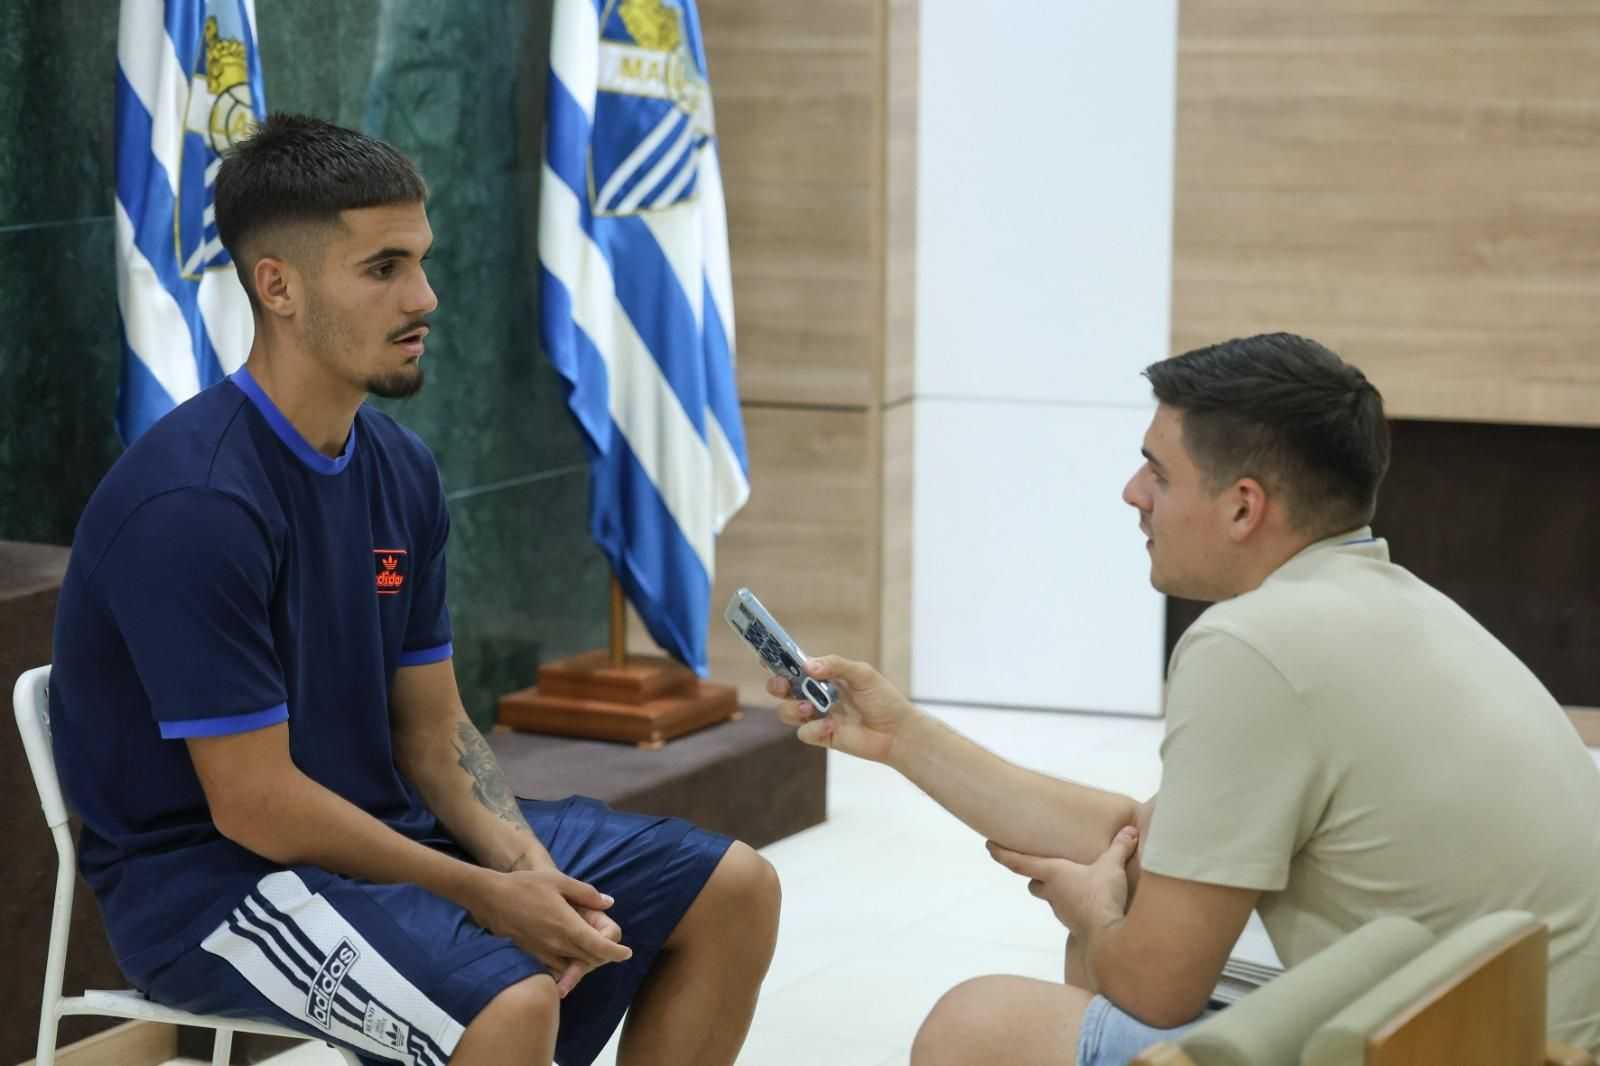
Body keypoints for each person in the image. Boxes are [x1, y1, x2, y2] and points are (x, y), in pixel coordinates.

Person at [49, 113, 779, 1066]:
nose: (424, 297)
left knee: (734, 890)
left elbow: (433, 731)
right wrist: (485, 895)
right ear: (278, 286)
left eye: (422, 262)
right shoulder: (195, 503)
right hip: (215, 887)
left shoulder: (400, 468)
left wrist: (530, 872)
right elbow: (254, 805)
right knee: (509, 1004)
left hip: (383, 832)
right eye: (383, 268)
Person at [769, 333, 1600, 1063]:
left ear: (1243, 506)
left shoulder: (1253, 646)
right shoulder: (1384, 602)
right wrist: (902, 736)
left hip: (1471, 1048)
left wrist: (1093, 912)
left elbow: (1158, 988)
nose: (1133, 492)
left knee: (978, 1028)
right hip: (1516, 1032)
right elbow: (1139, 832)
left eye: (1159, 473)